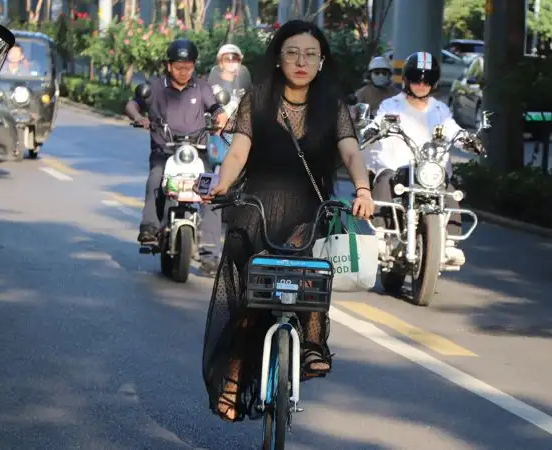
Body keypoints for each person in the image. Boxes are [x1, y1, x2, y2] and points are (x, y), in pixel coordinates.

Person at [200, 19, 375, 422]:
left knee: (308, 269)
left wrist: (363, 190)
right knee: (251, 298)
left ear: (321, 61)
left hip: (309, 210)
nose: (301, 62)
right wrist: (223, 184)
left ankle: (312, 345)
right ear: (279, 58)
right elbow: (238, 152)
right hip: (256, 207)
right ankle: (233, 377)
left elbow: (351, 153)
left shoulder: (332, 105)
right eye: (292, 53)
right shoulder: (257, 98)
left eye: (310, 54)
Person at [365, 51, 483, 267]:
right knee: (384, 179)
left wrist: (468, 140)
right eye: (416, 79)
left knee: (448, 189)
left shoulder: (440, 110)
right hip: (398, 166)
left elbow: (453, 130)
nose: (421, 84)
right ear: (407, 80)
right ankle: (380, 236)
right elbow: (379, 121)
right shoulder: (392, 105)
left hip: (429, 170)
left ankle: (450, 243)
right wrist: (372, 130)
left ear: (433, 83)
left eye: (426, 80)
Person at [124, 38, 229, 274]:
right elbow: (132, 104)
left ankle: (210, 253)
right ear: (169, 65)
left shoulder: (201, 87)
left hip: (196, 152)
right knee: (155, 179)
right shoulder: (155, 87)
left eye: (188, 67)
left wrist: (221, 119)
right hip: (165, 152)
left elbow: (217, 109)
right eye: (179, 67)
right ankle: (150, 228)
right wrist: (139, 118)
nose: (184, 72)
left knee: (211, 192)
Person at [207, 43, 252, 117]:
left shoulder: (244, 77)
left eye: (234, 59)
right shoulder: (214, 84)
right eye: (227, 59)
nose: (231, 62)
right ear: (221, 62)